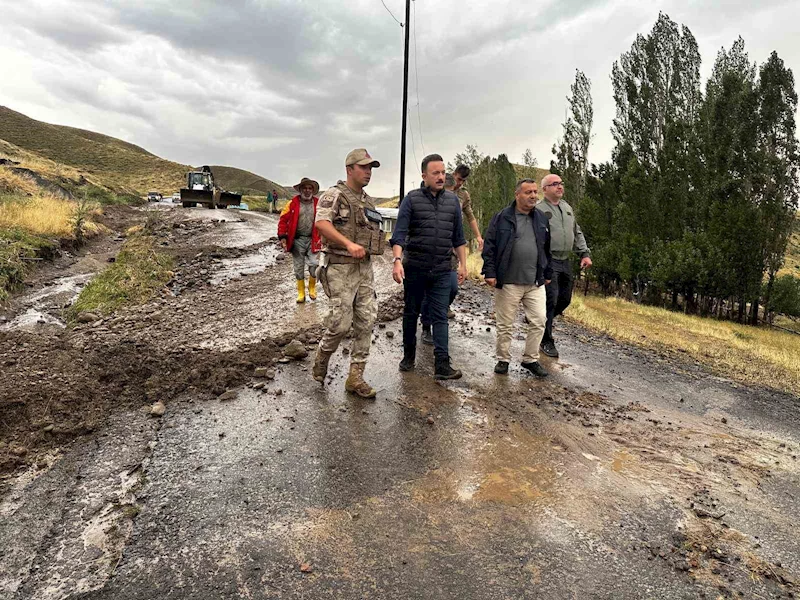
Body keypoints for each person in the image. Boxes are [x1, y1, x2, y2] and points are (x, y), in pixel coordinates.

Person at [312, 149, 384, 399]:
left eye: (371, 168)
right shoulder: (334, 195)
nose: (368, 172)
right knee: (340, 324)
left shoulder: (368, 201)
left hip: (364, 269)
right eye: (364, 167)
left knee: (366, 321)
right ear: (349, 169)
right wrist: (348, 244)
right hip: (340, 267)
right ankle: (323, 355)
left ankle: (355, 377)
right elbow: (321, 224)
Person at [391, 153, 467, 380]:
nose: (441, 177)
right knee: (411, 313)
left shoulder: (453, 201)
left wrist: (463, 264)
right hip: (415, 268)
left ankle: (442, 365)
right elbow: (399, 235)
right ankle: (408, 356)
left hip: (443, 269)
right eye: (436, 173)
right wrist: (397, 261)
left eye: (443, 172)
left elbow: (459, 238)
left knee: (440, 316)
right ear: (424, 175)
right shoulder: (412, 199)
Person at [482, 179, 552, 377]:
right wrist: (490, 271)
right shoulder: (502, 217)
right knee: (505, 323)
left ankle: (530, 359)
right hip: (508, 281)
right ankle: (503, 359)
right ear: (517, 195)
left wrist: (547, 273)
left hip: (535, 281)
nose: (533, 196)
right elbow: (490, 246)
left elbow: (547, 249)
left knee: (539, 320)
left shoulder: (541, 218)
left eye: (535, 192)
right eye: (528, 192)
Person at [419, 164, 483, 342]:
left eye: (463, 181)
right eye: (458, 179)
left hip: (452, 246)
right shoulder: (432, 188)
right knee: (428, 290)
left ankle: (439, 309)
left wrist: (478, 236)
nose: (459, 183)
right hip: (431, 247)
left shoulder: (463, 195)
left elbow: (469, 215)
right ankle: (426, 326)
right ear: (452, 174)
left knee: (453, 288)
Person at [535, 174, 592, 358]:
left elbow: (577, 231)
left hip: (565, 260)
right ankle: (546, 340)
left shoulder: (567, 208)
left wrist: (584, 253)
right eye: (555, 184)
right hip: (548, 260)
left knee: (565, 299)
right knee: (550, 300)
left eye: (561, 183)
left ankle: (541, 318)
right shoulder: (538, 210)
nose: (560, 187)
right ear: (545, 189)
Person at [278, 177, 321, 303]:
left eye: (310, 188)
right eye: (305, 188)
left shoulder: (318, 204)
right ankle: (301, 293)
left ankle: (312, 288)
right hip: (297, 240)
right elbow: (283, 220)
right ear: (300, 190)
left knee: (314, 264)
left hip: (314, 239)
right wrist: (283, 237)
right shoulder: (292, 203)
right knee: (298, 267)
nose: (307, 191)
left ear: (313, 190)